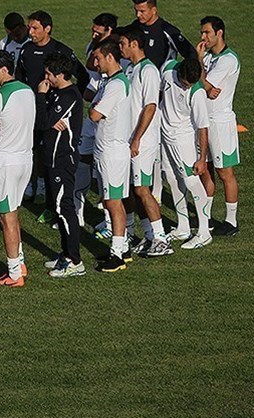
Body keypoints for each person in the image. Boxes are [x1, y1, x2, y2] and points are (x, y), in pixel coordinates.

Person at [16, 11, 88, 205]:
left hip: (53, 113)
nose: (30, 32)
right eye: (29, 27)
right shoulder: (26, 50)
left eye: (35, 28)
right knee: (29, 147)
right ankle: (32, 186)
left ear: (47, 29)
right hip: (31, 109)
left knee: (48, 150)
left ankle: (44, 191)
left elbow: (83, 76)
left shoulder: (61, 51)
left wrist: (68, 107)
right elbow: (19, 80)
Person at [0, 51, 35, 287]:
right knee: (13, 211)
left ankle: (13, 274)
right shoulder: (28, 91)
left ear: (3, 70)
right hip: (26, 160)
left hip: (5, 163)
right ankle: (19, 261)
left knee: (6, 217)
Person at [117, 26, 173, 257]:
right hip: (130, 139)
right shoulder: (131, 68)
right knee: (132, 189)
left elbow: (150, 106)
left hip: (143, 141)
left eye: (122, 43)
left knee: (142, 188)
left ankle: (161, 238)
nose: (119, 47)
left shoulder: (148, 71)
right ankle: (147, 235)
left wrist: (137, 139)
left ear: (134, 44)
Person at [35, 53, 85, 278]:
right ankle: (66, 254)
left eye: (49, 74)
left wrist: (41, 96)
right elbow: (46, 123)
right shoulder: (57, 93)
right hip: (52, 158)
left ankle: (76, 261)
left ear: (61, 74)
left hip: (63, 160)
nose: (45, 78)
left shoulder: (70, 96)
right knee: (58, 209)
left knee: (65, 209)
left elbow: (43, 122)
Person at [88, 40, 133, 272]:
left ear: (109, 57)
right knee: (113, 200)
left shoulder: (115, 85)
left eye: (98, 58)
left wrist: (93, 107)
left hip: (112, 151)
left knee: (113, 202)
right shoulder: (110, 82)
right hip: (109, 149)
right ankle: (122, 246)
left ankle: (117, 256)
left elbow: (95, 114)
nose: (95, 62)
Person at [159, 59, 213, 249]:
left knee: (191, 182)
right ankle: (183, 227)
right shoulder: (167, 69)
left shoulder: (197, 92)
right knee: (172, 178)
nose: (187, 86)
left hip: (183, 141)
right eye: (185, 82)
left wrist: (201, 158)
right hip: (164, 136)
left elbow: (203, 127)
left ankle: (204, 232)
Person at [197, 16, 240, 236]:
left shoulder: (228, 60)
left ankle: (231, 221)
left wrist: (199, 65)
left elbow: (206, 84)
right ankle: (206, 217)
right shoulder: (210, 58)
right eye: (202, 33)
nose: (203, 37)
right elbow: (201, 84)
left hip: (221, 123)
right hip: (204, 121)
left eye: (207, 33)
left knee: (225, 173)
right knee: (205, 171)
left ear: (219, 33)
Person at [76, 13, 118, 232]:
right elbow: (89, 70)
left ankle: (111, 224)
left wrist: (97, 99)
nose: (93, 34)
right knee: (82, 159)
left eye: (98, 32)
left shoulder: (118, 55)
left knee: (105, 172)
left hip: (108, 122)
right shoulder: (92, 48)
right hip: (92, 116)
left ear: (109, 31)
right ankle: (77, 214)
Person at [125, 0, 197, 69]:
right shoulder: (135, 26)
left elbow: (191, 54)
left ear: (154, 10)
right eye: (136, 10)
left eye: (142, 11)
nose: (138, 15)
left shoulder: (168, 31)